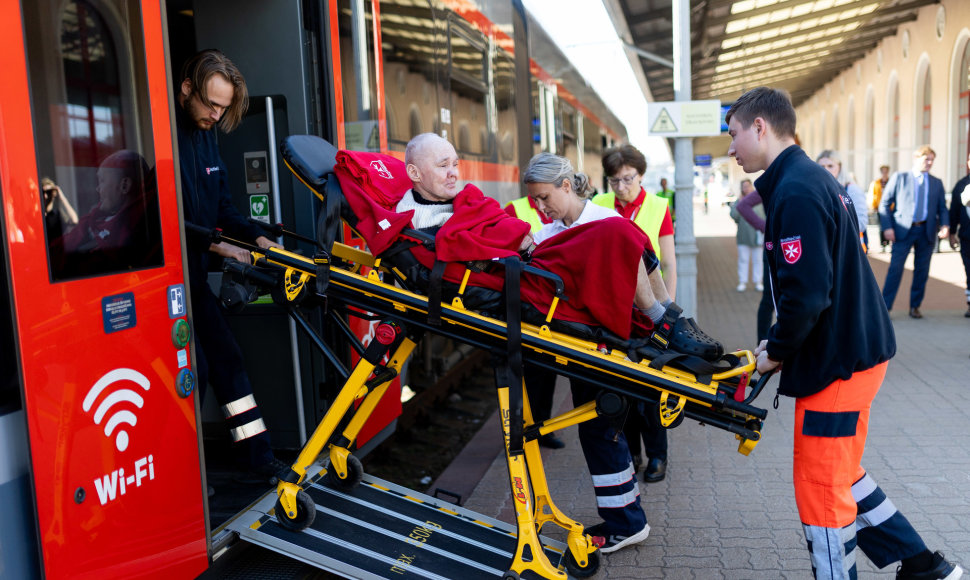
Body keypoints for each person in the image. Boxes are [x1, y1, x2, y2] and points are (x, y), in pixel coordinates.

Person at [727, 86, 962, 580]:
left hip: (839, 364)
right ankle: (925, 567)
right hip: (855, 354)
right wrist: (779, 341)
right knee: (843, 474)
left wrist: (777, 349)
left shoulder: (795, 190)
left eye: (733, 134)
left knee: (820, 485)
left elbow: (807, 293)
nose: (731, 148)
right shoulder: (809, 180)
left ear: (760, 128)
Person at [175, 49, 287, 485]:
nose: (216, 115)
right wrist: (220, 247)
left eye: (222, 108)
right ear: (187, 90)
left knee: (227, 358)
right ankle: (184, 473)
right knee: (197, 368)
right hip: (167, 278)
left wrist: (256, 236)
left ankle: (258, 459)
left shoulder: (208, 136)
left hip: (195, 277)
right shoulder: (163, 136)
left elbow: (221, 207)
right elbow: (170, 219)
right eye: (210, 104)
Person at [595, 144, 676, 483]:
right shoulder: (599, 205)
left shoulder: (659, 207)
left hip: (649, 311)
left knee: (651, 386)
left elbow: (669, 260)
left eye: (627, 179)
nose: (621, 187)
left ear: (641, 175)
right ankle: (633, 454)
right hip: (613, 310)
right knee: (619, 385)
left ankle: (658, 456)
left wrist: (668, 310)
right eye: (614, 181)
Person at [503, 194, 563, 450]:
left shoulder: (560, 209)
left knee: (546, 373)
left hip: (550, 310)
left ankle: (542, 428)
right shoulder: (514, 208)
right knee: (519, 374)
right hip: (523, 305)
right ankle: (517, 435)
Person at [55, 150, 161, 277]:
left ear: (124, 186)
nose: (98, 188)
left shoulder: (141, 227)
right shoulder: (97, 218)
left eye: (102, 180)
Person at [878, 146, 950, 319]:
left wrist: (945, 226)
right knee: (895, 269)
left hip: (926, 232)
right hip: (902, 232)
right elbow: (884, 204)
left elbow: (942, 208)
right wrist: (887, 228)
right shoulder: (900, 178)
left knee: (922, 271)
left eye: (932, 159)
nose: (930, 163)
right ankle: (885, 308)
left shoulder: (936, 182)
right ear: (916, 158)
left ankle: (915, 306)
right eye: (927, 159)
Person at [734, 186, 774, 342]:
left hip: (792, 250)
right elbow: (742, 207)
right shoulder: (770, 182)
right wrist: (767, 227)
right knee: (769, 300)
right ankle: (763, 344)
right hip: (772, 248)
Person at [816, 149, 868, 251]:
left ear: (840, 167)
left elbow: (861, 223)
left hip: (849, 248)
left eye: (830, 166)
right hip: (826, 247)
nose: (826, 170)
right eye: (822, 167)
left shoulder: (852, 190)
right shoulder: (816, 190)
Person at [730, 180, 764, 292]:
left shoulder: (759, 199)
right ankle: (742, 282)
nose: (746, 188)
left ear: (751, 187)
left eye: (747, 186)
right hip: (743, 237)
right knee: (743, 260)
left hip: (757, 236)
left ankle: (758, 282)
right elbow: (734, 216)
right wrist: (740, 203)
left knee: (758, 260)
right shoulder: (738, 201)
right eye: (743, 186)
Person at [948, 152, 970, 318]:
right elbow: (954, 211)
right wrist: (952, 233)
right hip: (967, 237)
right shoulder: (961, 185)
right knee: (969, 272)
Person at [869, 165, 891, 252]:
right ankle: (883, 244)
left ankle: (888, 244)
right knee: (881, 227)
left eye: (886, 171)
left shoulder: (891, 181)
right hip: (879, 208)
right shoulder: (877, 183)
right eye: (883, 171)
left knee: (889, 226)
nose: (884, 173)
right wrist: (874, 206)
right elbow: (873, 195)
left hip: (890, 208)